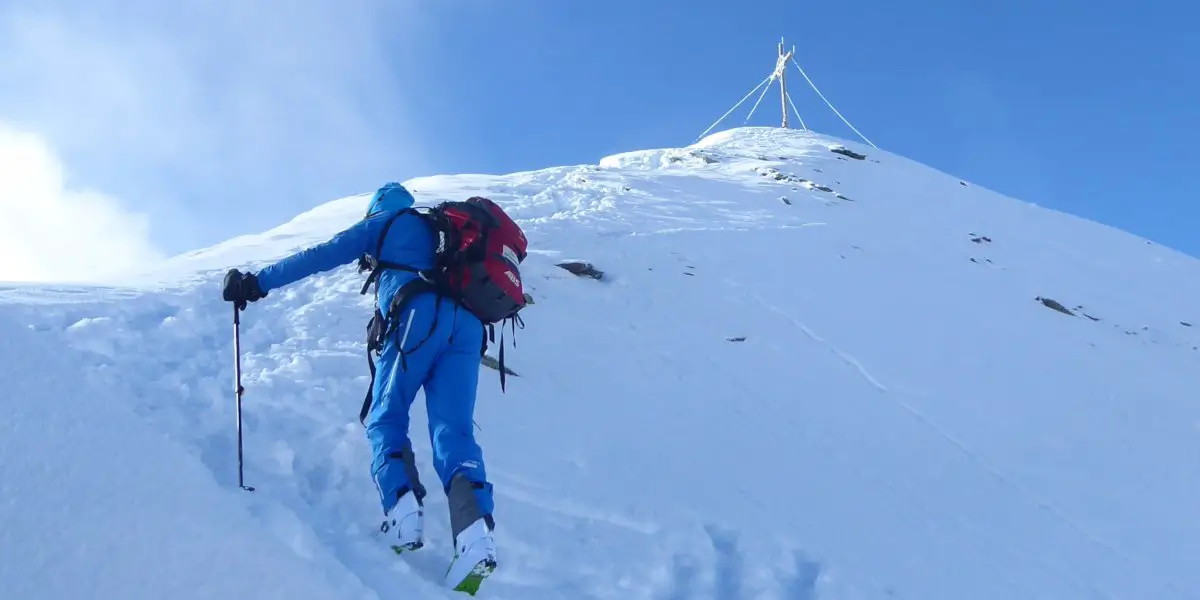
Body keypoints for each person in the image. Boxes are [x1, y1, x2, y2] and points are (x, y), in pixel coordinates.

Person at [222, 182, 499, 594]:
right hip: (467, 325)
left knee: (386, 416)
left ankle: (403, 514)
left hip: (417, 316)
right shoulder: (443, 232)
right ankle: (475, 537)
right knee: (454, 433)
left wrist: (256, 283)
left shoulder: (386, 223)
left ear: (376, 209)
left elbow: (321, 255)